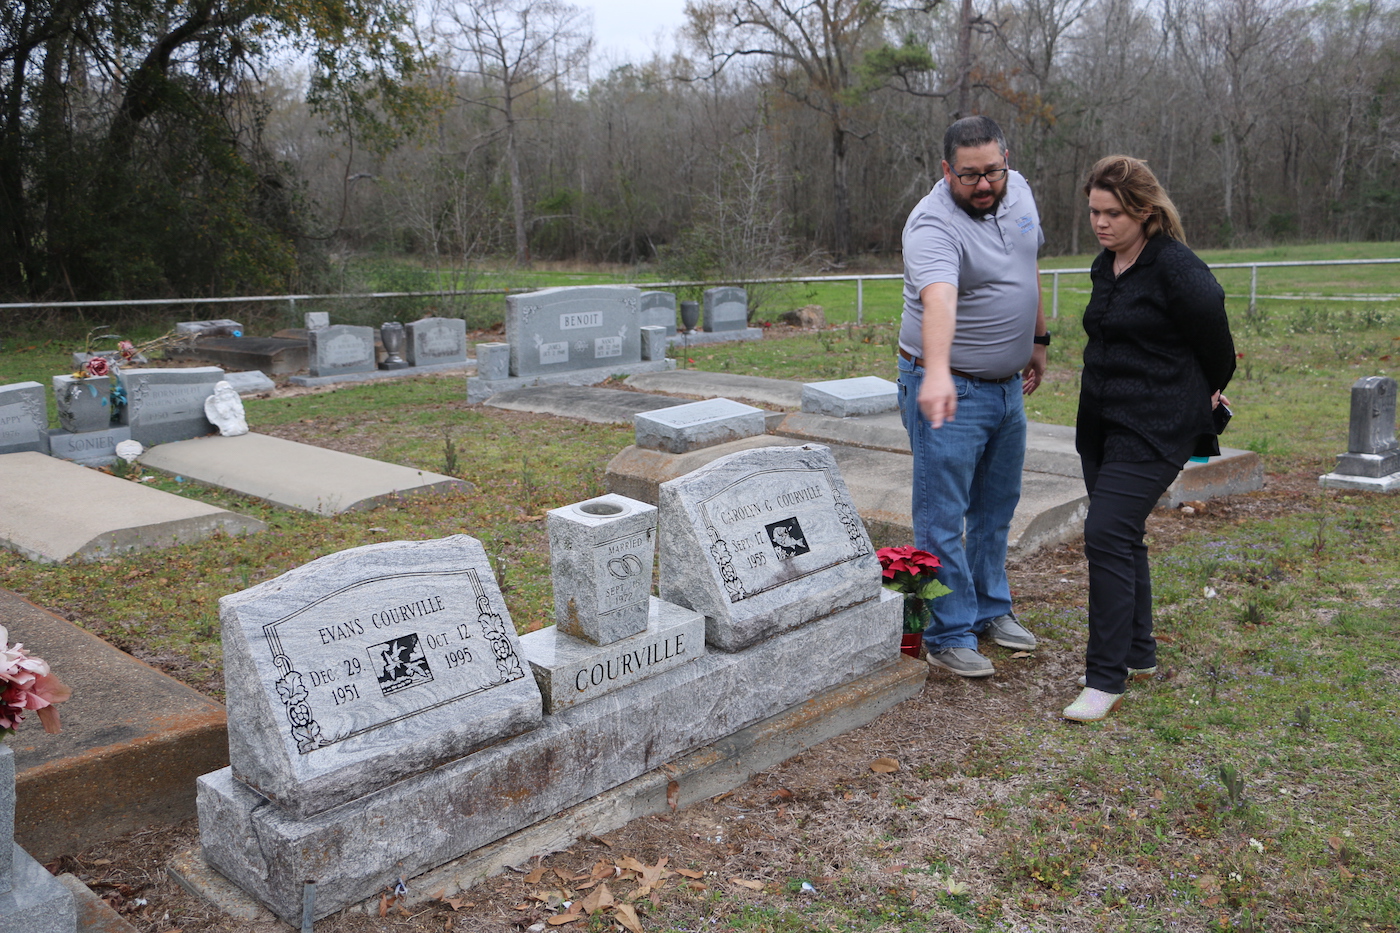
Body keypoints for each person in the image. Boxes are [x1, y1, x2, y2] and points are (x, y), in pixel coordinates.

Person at [1064, 155, 1236, 722]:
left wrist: (1209, 390)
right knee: (1123, 534)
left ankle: (1104, 678)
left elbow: (1217, 342)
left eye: (1113, 213)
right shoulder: (1103, 264)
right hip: (1102, 423)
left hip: (1158, 423)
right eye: (1094, 211)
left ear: (1144, 210)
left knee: (1106, 532)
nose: (1101, 223)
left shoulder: (1177, 269)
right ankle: (1139, 653)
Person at [896, 115, 1049, 678]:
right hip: (949, 387)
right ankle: (947, 632)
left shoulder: (1020, 190)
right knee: (942, 517)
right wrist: (936, 372)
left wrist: (1037, 338)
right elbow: (938, 299)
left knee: (996, 508)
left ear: (1006, 157)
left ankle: (989, 610)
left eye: (993, 171)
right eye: (970, 177)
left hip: (1007, 388)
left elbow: (1027, 267)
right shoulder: (931, 226)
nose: (985, 186)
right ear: (946, 170)